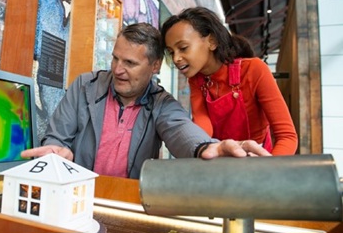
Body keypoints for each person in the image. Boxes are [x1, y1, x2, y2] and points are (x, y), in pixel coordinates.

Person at [21, 22, 271, 179]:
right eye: (115, 58)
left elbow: (181, 131)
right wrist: (55, 152)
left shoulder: (162, 103)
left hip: (127, 203)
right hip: (76, 194)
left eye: (130, 63)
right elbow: (56, 138)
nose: (118, 70)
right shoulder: (85, 85)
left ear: (154, 66)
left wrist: (208, 147)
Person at [161, 7, 298, 156]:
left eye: (183, 48)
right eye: (171, 52)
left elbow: (288, 136)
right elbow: (203, 127)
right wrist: (199, 146)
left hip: (258, 158)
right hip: (221, 157)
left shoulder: (254, 69)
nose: (176, 58)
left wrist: (269, 170)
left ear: (212, 41)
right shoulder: (196, 80)